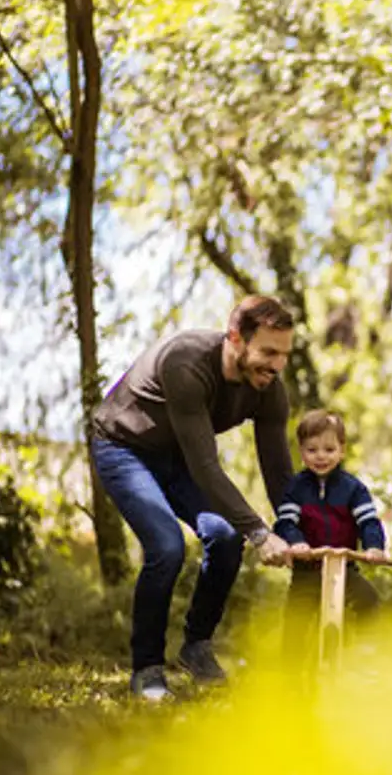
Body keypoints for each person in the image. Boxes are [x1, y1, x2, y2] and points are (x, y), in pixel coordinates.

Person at [91, 295, 297, 701]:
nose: (277, 365)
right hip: (124, 448)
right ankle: (147, 670)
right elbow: (206, 466)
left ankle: (195, 646)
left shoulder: (268, 387)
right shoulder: (186, 363)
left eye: (285, 355)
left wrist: (295, 530)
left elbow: (278, 472)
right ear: (236, 338)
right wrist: (259, 532)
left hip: (178, 456)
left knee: (223, 536)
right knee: (167, 546)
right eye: (268, 352)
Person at [275, 409, 391, 656]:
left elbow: (368, 521)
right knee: (295, 625)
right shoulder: (295, 488)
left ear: (342, 450)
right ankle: (288, 678)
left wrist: (374, 547)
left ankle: (365, 654)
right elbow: (286, 522)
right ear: (302, 452)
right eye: (312, 450)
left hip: (343, 569)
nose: (321, 457)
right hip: (307, 571)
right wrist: (297, 543)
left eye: (329, 449)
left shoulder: (354, 489)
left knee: (369, 601)